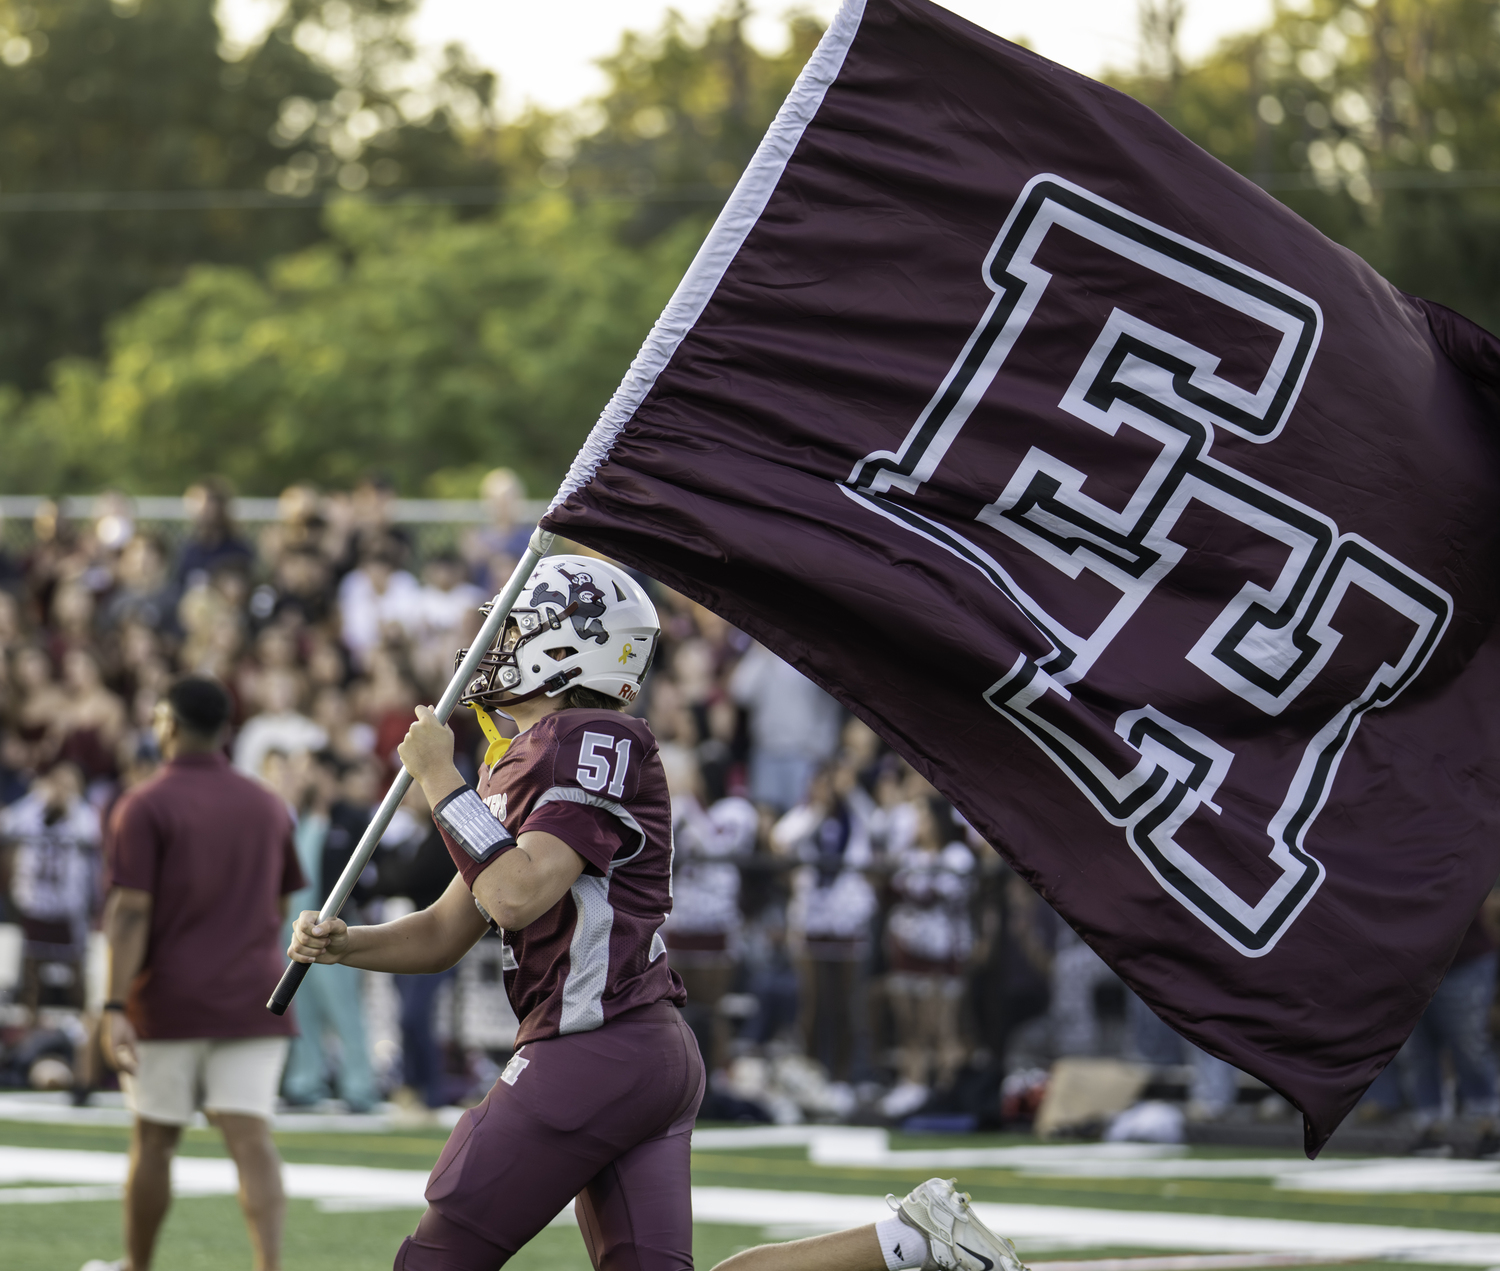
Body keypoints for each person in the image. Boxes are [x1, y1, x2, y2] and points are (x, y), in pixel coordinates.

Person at [289, 555, 705, 1270]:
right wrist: (344, 943)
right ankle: (894, 1244)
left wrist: (438, 776)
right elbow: (452, 925)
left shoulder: (591, 736)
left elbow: (516, 892)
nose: (494, 646)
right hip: (639, 1042)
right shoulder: (525, 755)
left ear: (568, 644)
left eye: (514, 629)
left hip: (590, 1042)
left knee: (435, 1261)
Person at [89, 677, 305, 1271]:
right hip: (254, 998)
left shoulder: (144, 803)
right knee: (252, 1141)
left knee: (154, 1140)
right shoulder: (267, 803)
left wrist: (111, 1009)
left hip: (167, 1000)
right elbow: (281, 903)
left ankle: (137, 1266)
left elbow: (129, 912)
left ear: (167, 724)